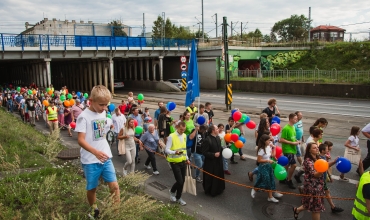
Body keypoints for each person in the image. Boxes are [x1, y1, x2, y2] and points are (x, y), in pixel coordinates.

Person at [75, 85, 119, 219]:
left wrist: (108, 124)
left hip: (105, 157)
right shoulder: (84, 117)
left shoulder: (103, 112)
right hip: (90, 160)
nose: (104, 108)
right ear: (91, 100)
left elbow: (100, 132)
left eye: (107, 105)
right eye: (101, 105)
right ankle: (94, 210)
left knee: (115, 187)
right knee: (92, 188)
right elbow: (81, 140)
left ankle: (116, 214)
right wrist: (95, 152)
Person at [293, 143, 325, 220]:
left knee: (308, 203)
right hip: (313, 187)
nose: (317, 149)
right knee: (316, 208)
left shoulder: (318, 157)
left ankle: (297, 210)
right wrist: (322, 170)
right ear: (309, 150)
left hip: (319, 185)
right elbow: (315, 174)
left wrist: (334, 162)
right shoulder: (307, 161)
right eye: (314, 148)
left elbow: (325, 165)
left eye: (317, 147)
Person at [251, 134, 282, 202]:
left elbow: (271, 155)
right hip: (263, 167)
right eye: (268, 140)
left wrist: (273, 150)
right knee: (265, 181)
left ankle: (271, 195)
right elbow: (259, 160)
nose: (269, 141)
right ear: (264, 141)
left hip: (268, 166)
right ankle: (255, 189)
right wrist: (268, 160)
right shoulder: (261, 150)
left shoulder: (268, 146)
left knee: (271, 180)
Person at [166, 121, 190, 206]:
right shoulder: (171, 136)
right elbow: (167, 149)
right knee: (179, 181)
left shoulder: (184, 136)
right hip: (174, 162)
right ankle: (172, 192)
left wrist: (187, 158)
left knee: (182, 181)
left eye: (184, 130)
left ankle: (179, 197)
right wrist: (174, 152)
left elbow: (184, 148)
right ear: (177, 127)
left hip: (183, 160)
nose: (182, 131)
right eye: (181, 129)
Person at [318, 144, 343, 213]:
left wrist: (329, 176)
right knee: (324, 192)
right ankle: (332, 207)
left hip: (323, 179)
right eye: (327, 149)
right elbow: (326, 165)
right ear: (323, 151)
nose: (328, 150)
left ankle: (333, 207)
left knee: (326, 192)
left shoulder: (324, 157)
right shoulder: (320, 158)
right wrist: (335, 161)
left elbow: (326, 168)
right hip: (320, 179)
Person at [201, 125, 225, 197]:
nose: (218, 130)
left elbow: (219, 147)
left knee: (218, 174)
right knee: (211, 177)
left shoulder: (217, 138)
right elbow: (204, 152)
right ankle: (211, 191)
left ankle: (218, 189)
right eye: (217, 129)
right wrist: (213, 154)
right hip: (210, 163)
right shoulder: (207, 140)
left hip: (218, 161)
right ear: (213, 131)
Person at [279, 113, 300, 189]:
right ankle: (289, 180)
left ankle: (282, 177)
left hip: (292, 148)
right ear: (290, 119)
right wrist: (292, 143)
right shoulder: (286, 128)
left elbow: (292, 137)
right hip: (288, 149)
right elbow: (281, 140)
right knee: (294, 165)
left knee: (287, 165)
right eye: (295, 118)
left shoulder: (293, 127)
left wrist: (296, 140)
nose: (296, 120)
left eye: (296, 118)